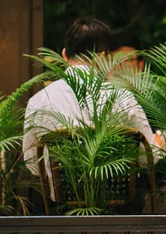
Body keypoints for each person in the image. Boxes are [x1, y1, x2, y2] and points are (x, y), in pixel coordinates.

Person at [23, 18, 158, 179]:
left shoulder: (39, 101)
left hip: (59, 202)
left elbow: (32, 164)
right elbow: (150, 158)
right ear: (102, 56)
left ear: (64, 54)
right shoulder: (122, 97)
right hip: (117, 200)